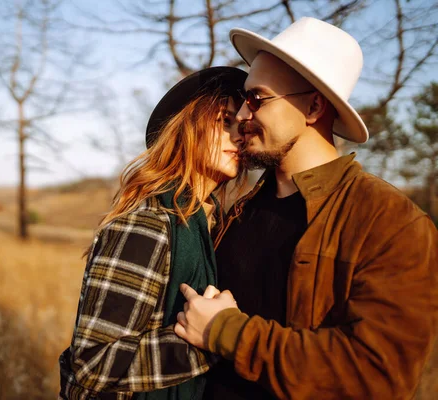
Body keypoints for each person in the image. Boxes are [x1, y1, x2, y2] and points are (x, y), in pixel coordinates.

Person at [174, 17, 438, 399]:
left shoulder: (392, 222)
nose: (244, 116)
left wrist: (227, 332)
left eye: (257, 98)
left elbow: (377, 375)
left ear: (314, 106)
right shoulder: (236, 210)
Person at [58, 66, 248, 399]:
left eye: (241, 126)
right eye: (223, 122)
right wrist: (213, 340)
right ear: (187, 129)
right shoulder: (148, 224)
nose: (238, 137)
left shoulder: (214, 224)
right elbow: (92, 363)